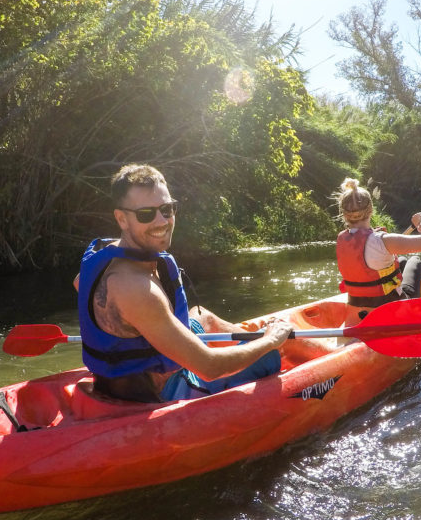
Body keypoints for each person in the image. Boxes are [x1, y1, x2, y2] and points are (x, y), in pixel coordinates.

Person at [74, 164, 293, 403]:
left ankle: (261, 341)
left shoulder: (108, 254)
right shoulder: (138, 290)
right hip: (166, 391)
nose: (161, 221)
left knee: (203, 317)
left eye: (167, 209)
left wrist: (136, 326)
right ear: (122, 219)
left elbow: (80, 284)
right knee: (275, 349)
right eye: (146, 214)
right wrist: (270, 340)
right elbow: (209, 367)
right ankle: (310, 354)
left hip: (124, 374)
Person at [334, 178, 421, 323]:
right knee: (415, 261)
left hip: (356, 312)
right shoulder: (383, 240)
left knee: (401, 261)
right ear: (371, 210)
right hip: (390, 311)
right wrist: (420, 223)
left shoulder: (341, 239)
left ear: (344, 214)